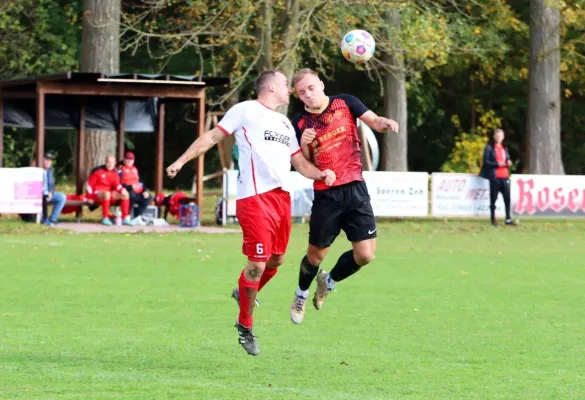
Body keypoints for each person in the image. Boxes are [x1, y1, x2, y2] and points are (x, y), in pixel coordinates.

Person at [165, 69, 336, 356]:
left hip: (281, 199)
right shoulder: (245, 110)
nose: (290, 89)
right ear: (270, 87)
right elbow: (211, 137)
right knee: (257, 264)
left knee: (277, 260)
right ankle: (245, 325)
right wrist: (181, 161)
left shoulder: (285, 123)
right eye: (285, 84)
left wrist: (322, 174)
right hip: (254, 198)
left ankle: (243, 292)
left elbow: (301, 165)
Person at [288, 68, 399, 324]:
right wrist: (306, 146)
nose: (308, 95)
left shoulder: (345, 102)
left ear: (322, 85)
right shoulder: (299, 123)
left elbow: (374, 121)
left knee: (365, 255)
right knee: (316, 255)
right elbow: (301, 164)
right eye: (302, 92)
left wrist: (385, 123)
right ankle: (301, 294)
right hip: (327, 196)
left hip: (355, 189)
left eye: (311, 88)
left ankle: (328, 281)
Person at [479, 128, 516, 227]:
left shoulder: (504, 148)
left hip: (505, 176)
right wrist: (497, 164)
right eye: (497, 136)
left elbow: (507, 158)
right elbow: (486, 162)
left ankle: (508, 219)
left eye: (500, 136)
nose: (499, 138)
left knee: (507, 198)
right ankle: (493, 219)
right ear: (494, 136)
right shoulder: (489, 148)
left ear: (503, 137)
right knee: (493, 199)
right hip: (495, 176)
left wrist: (508, 161)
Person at [86, 155, 134, 226]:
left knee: (125, 194)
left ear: (114, 164)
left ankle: (125, 218)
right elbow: (89, 185)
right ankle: (105, 218)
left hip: (108, 194)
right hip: (97, 194)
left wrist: (122, 189)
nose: (110, 164)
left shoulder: (115, 173)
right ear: (105, 162)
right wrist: (89, 197)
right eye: (108, 162)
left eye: (112, 163)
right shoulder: (98, 171)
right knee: (107, 194)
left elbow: (117, 185)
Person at [118, 151, 152, 219]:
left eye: (131, 159)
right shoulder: (121, 169)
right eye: (127, 159)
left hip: (138, 190)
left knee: (148, 197)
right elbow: (118, 183)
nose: (129, 161)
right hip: (128, 190)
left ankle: (137, 216)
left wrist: (144, 190)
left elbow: (140, 181)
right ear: (124, 159)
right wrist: (130, 187)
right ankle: (126, 216)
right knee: (131, 196)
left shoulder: (135, 169)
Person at [41, 151, 66, 226]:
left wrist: (50, 193)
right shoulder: (36, 170)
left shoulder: (49, 170)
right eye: (46, 160)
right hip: (38, 195)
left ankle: (53, 219)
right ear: (41, 160)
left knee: (61, 197)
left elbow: (52, 184)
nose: (49, 162)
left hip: (47, 194)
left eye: (50, 160)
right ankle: (43, 219)